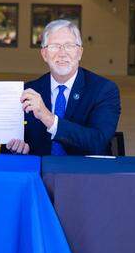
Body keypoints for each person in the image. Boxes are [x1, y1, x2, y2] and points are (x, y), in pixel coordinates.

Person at [8, 19, 120, 156]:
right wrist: (19, 148)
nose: (62, 53)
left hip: (86, 173)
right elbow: (15, 142)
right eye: (54, 46)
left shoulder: (103, 90)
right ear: (44, 54)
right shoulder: (29, 92)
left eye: (69, 46)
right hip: (41, 173)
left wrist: (49, 118)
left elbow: (98, 141)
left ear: (80, 52)